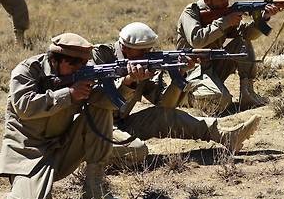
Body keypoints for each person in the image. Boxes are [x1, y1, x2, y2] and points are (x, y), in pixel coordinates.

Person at [0, 33, 128, 199]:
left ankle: (94, 190)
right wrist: (69, 94)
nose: (79, 69)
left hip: (62, 147)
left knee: (101, 108)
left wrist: (130, 82)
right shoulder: (27, 71)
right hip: (28, 155)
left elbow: (107, 103)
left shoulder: (84, 72)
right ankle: (21, 193)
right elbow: (24, 107)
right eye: (73, 64)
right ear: (55, 60)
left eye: (83, 63)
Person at [92, 22, 261, 161]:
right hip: (93, 128)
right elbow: (97, 98)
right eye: (143, 51)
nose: (148, 54)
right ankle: (94, 160)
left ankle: (224, 136)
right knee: (138, 151)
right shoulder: (101, 56)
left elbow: (165, 105)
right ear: (125, 47)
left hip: (121, 124)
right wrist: (127, 81)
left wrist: (180, 74)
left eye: (150, 50)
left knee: (162, 116)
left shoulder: (141, 64)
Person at [176, 0, 281, 114]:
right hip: (192, 70)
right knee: (222, 102)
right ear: (207, 0)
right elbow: (197, 40)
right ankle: (184, 98)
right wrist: (225, 22)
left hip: (213, 65)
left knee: (242, 42)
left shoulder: (224, 14)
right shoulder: (191, 12)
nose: (226, 3)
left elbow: (247, 34)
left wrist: (264, 17)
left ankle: (247, 94)